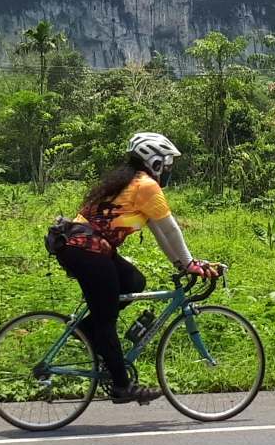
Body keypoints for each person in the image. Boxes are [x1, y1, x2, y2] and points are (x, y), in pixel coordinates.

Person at [52, 131, 222, 404]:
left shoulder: (130, 183)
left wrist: (182, 264)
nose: (168, 170)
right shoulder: (145, 186)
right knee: (105, 320)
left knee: (134, 282)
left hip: (85, 248)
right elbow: (171, 228)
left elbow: (161, 233)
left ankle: (87, 332)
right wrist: (190, 264)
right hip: (86, 252)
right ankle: (122, 386)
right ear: (154, 162)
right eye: (166, 164)